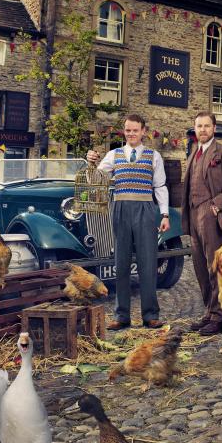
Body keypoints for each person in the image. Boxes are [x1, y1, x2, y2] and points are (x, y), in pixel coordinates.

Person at [88, 114, 170, 329]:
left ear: (143, 131)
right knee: (121, 262)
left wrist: (164, 214)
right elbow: (96, 179)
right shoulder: (114, 155)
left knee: (148, 261)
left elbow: (160, 187)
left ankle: (150, 314)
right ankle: (121, 315)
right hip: (121, 208)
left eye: (135, 130)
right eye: (128, 130)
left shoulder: (154, 156)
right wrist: (91, 162)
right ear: (124, 131)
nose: (131, 134)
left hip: (145, 208)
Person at [180, 111, 222, 335]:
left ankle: (220, 317)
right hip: (193, 213)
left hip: (211, 214)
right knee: (199, 265)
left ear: (214, 128)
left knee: (215, 266)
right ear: (195, 128)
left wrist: (216, 206)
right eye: (199, 126)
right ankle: (210, 311)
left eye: (207, 126)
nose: (203, 130)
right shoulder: (194, 153)